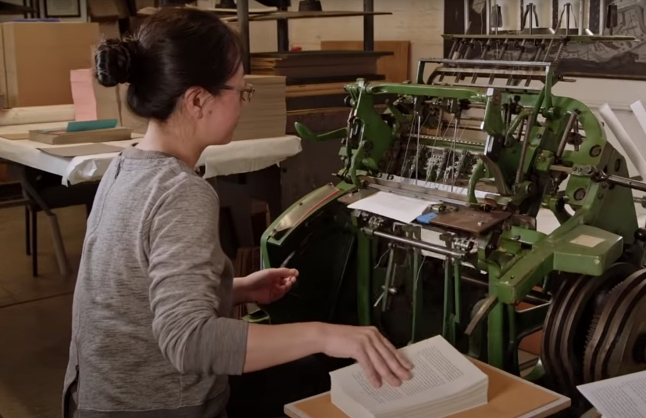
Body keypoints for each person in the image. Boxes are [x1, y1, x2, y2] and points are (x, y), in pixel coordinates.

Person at [62, 7, 411, 418]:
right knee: (324, 373)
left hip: (95, 398)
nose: (244, 103)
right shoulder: (181, 192)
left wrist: (238, 288)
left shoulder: (125, 166)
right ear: (196, 100)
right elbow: (189, 341)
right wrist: (325, 335)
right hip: (159, 405)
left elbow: (130, 296)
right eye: (240, 91)